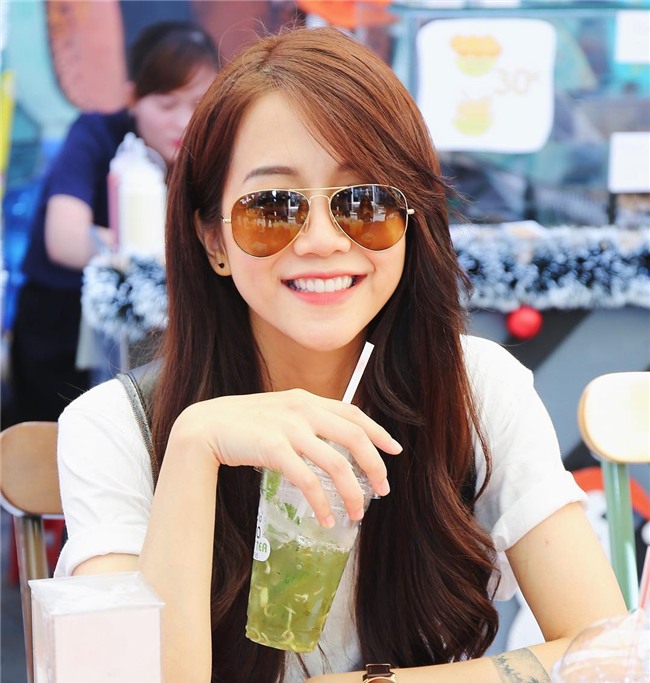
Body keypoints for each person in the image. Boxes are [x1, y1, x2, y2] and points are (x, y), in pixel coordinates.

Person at [54, 27, 626, 683]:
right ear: (213, 237)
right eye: (273, 206)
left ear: (411, 219)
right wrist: (193, 451)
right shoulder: (114, 428)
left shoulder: (476, 388)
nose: (322, 240)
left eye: (365, 201)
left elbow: (608, 653)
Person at [8, 21, 218, 424]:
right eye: (167, 105)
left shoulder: (207, 153)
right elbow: (65, 239)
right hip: (62, 331)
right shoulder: (96, 136)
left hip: (160, 340)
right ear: (132, 98)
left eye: (198, 103)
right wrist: (163, 246)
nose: (183, 121)